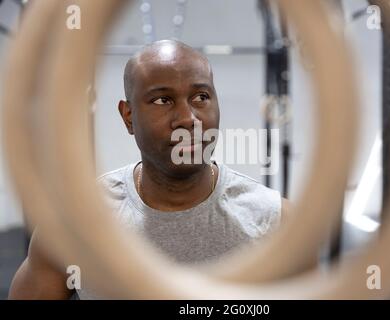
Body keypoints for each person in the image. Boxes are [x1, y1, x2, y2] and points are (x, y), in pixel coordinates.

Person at [8, 40, 292, 299]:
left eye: (201, 97)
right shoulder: (73, 224)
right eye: (162, 100)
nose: (188, 118)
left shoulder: (276, 223)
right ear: (128, 116)